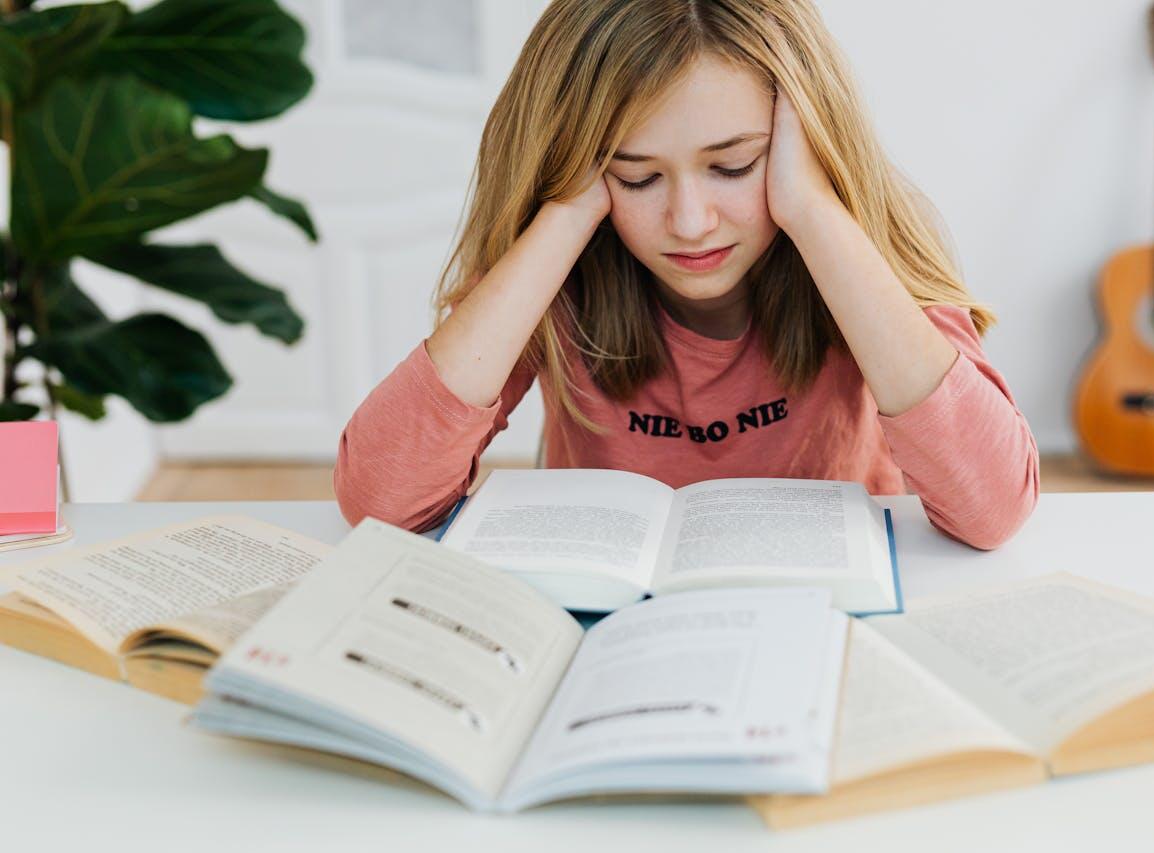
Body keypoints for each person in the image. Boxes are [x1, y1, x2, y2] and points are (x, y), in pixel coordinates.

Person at [334, 0, 1039, 550]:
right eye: (637, 176)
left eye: (733, 166)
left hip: (830, 612)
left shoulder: (860, 250)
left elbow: (996, 510)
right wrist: (564, 218)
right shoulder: (558, 273)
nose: (691, 220)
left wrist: (814, 213)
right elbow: (381, 503)